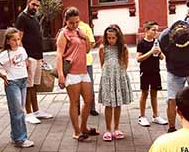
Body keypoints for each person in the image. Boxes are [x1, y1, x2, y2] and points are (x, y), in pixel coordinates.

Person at [0, 28, 34, 148]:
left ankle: (16, 136)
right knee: (17, 112)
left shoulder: (22, 50)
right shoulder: (5, 54)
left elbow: (26, 60)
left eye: (18, 39)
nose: (17, 42)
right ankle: (20, 139)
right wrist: (1, 75)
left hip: (23, 81)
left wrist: (27, 68)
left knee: (19, 110)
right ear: (8, 41)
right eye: (14, 40)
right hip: (12, 83)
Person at [56, 7, 98, 142]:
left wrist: (85, 37)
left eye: (76, 22)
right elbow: (58, 55)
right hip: (72, 73)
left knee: (88, 100)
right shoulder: (63, 34)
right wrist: (61, 75)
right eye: (71, 23)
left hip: (83, 71)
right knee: (74, 103)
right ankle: (76, 131)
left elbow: (87, 50)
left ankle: (84, 127)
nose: (74, 25)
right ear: (66, 21)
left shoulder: (80, 31)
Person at [15, 0, 53, 124]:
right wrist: (24, 57)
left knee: (35, 86)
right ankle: (28, 112)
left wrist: (41, 58)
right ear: (28, 3)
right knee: (28, 85)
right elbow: (18, 39)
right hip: (29, 56)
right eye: (33, 4)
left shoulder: (35, 18)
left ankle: (36, 111)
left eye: (37, 5)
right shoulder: (22, 18)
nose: (35, 7)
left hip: (37, 56)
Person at [98, 25, 133, 141]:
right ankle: (108, 130)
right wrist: (108, 75)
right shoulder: (103, 48)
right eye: (109, 38)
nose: (111, 40)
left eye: (113, 38)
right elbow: (102, 63)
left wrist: (120, 74)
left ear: (118, 37)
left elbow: (126, 63)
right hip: (108, 78)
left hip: (119, 77)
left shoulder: (123, 48)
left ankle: (116, 128)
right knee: (108, 105)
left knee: (118, 104)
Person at [136, 21, 167, 127]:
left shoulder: (157, 42)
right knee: (144, 93)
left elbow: (162, 58)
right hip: (145, 72)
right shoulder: (141, 43)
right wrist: (151, 52)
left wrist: (159, 53)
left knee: (154, 93)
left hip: (155, 71)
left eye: (157, 30)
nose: (156, 32)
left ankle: (156, 116)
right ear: (146, 30)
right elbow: (138, 59)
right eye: (153, 30)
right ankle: (142, 116)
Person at [78, 20, 99, 116]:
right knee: (75, 86)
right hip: (73, 63)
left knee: (89, 85)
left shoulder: (85, 27)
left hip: (87, 61)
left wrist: (84, 46)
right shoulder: (66, 29)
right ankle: (76, 108)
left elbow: (92, 43)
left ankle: (92, 108)